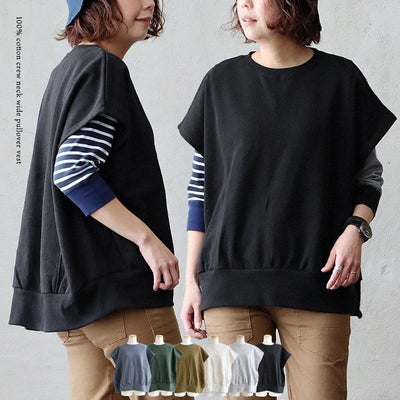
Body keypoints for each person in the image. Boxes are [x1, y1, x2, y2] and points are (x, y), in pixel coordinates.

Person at [179, 1, 396, 399]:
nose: (244, 5)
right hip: (230, 282)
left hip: (318, 282)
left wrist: (356, 231)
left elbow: (368, 178)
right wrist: (192, 281)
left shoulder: (341, 80)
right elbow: (200, 191)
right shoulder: (220, 83)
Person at [9, 0, 183, 399]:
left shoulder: (69, 69)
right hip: (118, 292)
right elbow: (73, 171)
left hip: (77, 294)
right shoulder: (103, 69)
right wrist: (147, 241)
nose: (149, 3)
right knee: (176, 391)